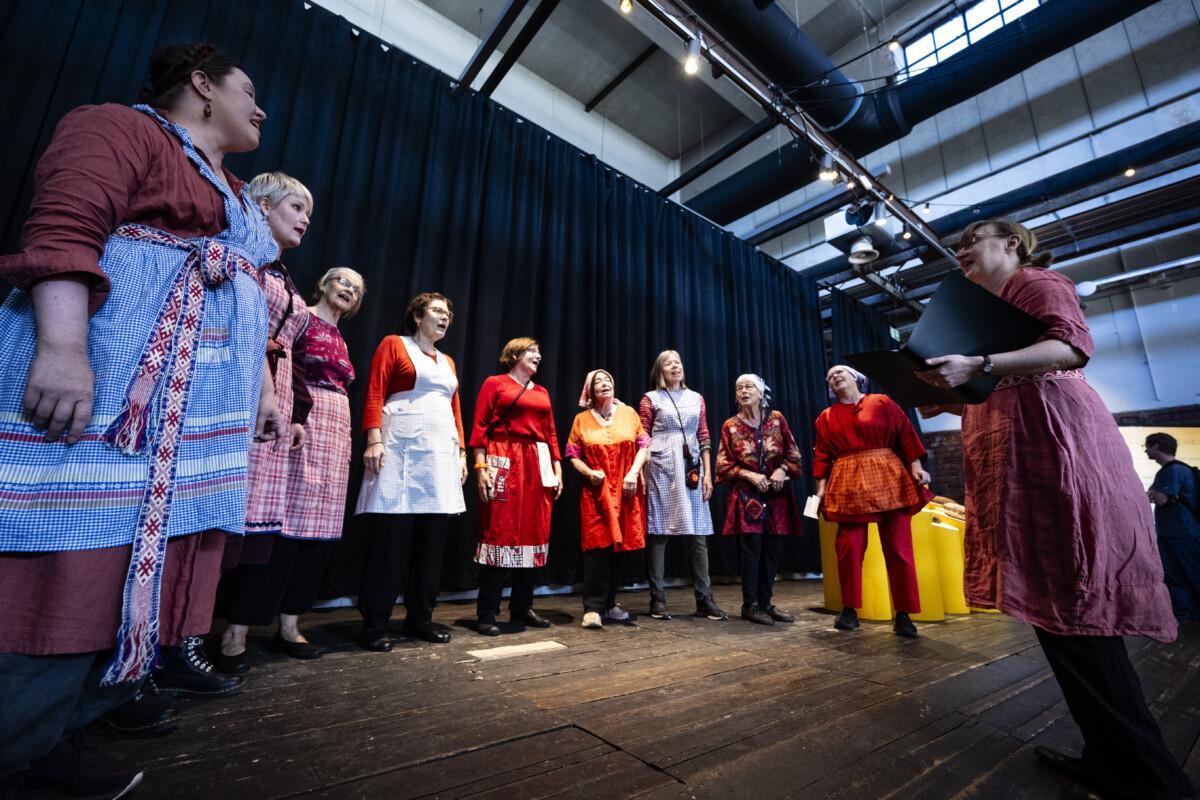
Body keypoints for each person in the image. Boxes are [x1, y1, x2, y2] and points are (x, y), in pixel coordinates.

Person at [0, 43, 281, 795]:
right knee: (70, 570)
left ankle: (48, 745)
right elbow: (65, 226)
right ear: (199, 85)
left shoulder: (238, 191)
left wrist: (260, 390)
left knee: (147, 586)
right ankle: (14, 749)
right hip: (115, 389)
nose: (260, 108)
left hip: (195, 419)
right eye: (246, 90)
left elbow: (246, 291)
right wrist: (62, 348)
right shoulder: (120, 129)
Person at [917, 219, 1191, 800]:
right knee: (1059, 615)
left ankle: (1155, 780)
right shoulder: (989, 312)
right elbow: (984, 382)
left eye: (972, 240)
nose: (961, 251)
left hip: (1050, 447)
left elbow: (1071, 346)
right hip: (1017, 453)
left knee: (1077, 609)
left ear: (1011, 243)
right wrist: (944, 381)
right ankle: (1108, 758)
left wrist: (980, 364)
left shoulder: (1036, 282)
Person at [216, 172, 317, 673]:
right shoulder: (241, 257)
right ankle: (186, 637)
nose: (304, 220)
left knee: (256, 530)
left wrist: (294, 410)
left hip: (272, 400)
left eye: (308, 214)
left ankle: (232, 635)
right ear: (261, 203)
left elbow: (292, 351)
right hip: (233, 395)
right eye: (296, 207)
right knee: (217, 518)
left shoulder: (283, 275)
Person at [354, 292, 467, 651]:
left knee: (431, 542)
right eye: (437, 310)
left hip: (439, 454)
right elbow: (374, 392)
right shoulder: (394, 344)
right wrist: (374, 439)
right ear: (418, 316)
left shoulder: (447, 362)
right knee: (392, 540)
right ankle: (375, 622)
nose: (444, 317)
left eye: (448, 312)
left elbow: (455, 409)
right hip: (401, 449)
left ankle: (421, 617)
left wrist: (462, 453)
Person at [814, 365, 931, 637]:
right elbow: (822, 454)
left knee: (899, 550)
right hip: (847, 482)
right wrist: (821, 488)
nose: (834, 376)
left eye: (840, 372)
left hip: (887, 477)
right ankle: (849, 609)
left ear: (856, 377)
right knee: (848, 549)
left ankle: (904, 614)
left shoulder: (882, 403)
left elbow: (905, 432)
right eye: (830, 376)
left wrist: (915, 465)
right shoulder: (825, 417)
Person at [470, 338, 562, 636]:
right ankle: (487, 611)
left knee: (534, 532)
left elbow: (550, 433)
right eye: (532, 352)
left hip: (537, 463)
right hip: (503, 458)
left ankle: (522, 607)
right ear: (515, 355)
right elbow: (480, 427)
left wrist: (558, 470)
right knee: (500, 531)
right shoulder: (495, 383)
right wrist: (481, 467)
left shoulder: (543, 392)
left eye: (539, 352)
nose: (538, 356)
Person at [638, 350, 726, 621]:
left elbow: (704, 435)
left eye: (678, 362)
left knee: (698, 535)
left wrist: (709, 474)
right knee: (659, 532)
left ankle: (704, 597)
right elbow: (641, 436)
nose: (675, 366)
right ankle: (657, 598)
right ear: (660, 370)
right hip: (661, 465)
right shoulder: (650, 399)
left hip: (692, 467)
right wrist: (640, 471)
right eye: (668, 362)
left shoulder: (696, 398)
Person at [715, 374, 805, 625]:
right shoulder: (730, 425)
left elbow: (794, 454)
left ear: (761, 392)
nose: (743, 391)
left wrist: (783, 469)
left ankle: (766, 603)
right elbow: (722, 466)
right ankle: (750, 605)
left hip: (777, 497)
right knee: (752, 550)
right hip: (747, 497)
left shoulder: (777, 419)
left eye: (748, 386)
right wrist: (749, 475)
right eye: (739, 387)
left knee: (772, 550)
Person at [566, 370, 650, 629]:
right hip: (597, 492)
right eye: (598, 382)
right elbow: (572, 454)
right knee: (597, 548)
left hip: (625, 489)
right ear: (589, 390)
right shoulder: (581, 420)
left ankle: (611, 603)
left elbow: (644, 445)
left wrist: (634, 474)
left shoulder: (629, 413)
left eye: (608, 381)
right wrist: (589, 472)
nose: (604, 384)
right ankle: (592, 607)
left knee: (620, 548)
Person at [1144, 432, 1200, 622]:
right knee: (1177, 574)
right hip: (1176, 532)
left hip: (1181, 533)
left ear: (1156, 447)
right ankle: (1185, 612)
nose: (1146, 451)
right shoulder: (1178, 469)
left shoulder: (1171, 471)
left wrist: (1152, 493)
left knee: (1188, 574)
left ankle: (1187, 612)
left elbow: (1159, 499)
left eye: (1147, 447)